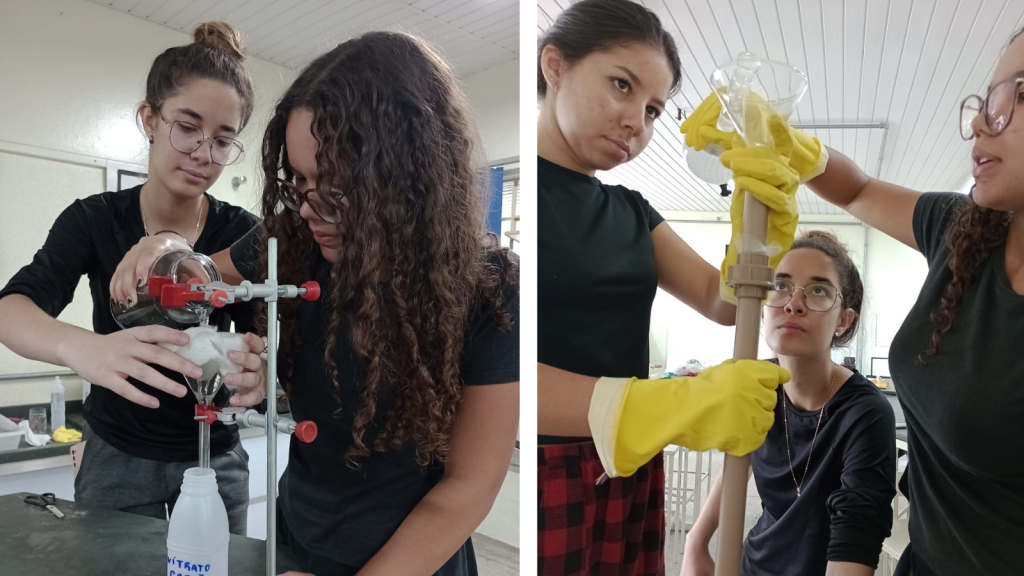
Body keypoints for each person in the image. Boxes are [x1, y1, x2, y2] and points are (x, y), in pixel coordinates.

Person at [111, 31, 520, 576]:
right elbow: (199, 272)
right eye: (300, 181)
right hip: (293, 543)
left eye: (339, 189)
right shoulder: (292, 242)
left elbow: (467, 488)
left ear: (407, 179)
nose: (309, 208)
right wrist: (163, 243)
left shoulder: (487, 289)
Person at [685, 23, 1024, 576]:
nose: (984, 121)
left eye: (1022, 93)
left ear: (846, 317)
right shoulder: (963, 230)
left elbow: (858, 520)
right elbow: (858, 188)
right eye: (988, 99)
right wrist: (788, 145)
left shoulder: (860, 412)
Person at [536, 1, 790, 574]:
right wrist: (662, 403)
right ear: (555, 66)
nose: (637, 122)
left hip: (630, 460)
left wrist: (762, 233)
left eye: (653, 109)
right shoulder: (522, 205)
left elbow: (721, 301)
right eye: (621, 85)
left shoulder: (631, 211)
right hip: (552, 468)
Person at [0, 22, 267, 534]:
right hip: (115, 454)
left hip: (214, 453)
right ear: (149, 117)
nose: (202, 155)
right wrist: (85, 349)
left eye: (222, 140)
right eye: (186, 127)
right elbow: (12, 308)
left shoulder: (242, 232)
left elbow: (267, 335)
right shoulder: (94, 220)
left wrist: (261, 365)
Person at [682, 231, 896, 576]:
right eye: (780, 286)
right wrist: (696, 541)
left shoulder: (865, 415)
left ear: (844, 320)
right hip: (753, 564)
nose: (793, 303)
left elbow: (857, 532)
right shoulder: (757, 385)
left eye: (819, 290)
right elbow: (739, 459)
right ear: (762, 310)